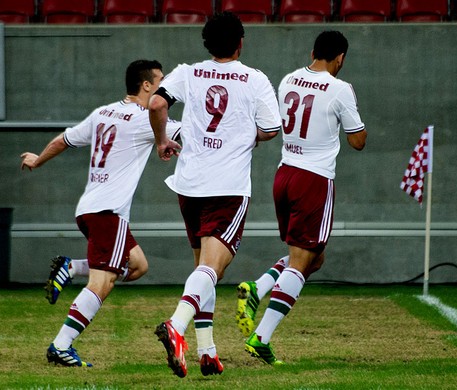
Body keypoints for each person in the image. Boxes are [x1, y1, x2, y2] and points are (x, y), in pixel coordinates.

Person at [20, 59, 181, 367]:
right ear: (147, 85)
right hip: (109, 212)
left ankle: (71, 267)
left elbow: (63, 140)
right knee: (102, 283)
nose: (165, 87)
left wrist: (38, 160)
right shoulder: (146, 118)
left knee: (137, 266)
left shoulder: (102, 113)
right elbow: (188, 132)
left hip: (88, 210)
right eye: (160, 80)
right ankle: (61, 345)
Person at [148, 11, 282, 378]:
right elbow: (271, 128)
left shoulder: (187, 72)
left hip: (189, 185)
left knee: (203, 270)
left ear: (207, 43)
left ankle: (207, 351)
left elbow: (157, 104)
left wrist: (162, 140)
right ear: (240, 43)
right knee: (211, 268)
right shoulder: (254, 79)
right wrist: (244, 135)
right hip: (228, 187)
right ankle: (176, 325)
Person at [236, 30, 368, 365]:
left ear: (313, 52)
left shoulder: (289, 79)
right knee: (301, 261)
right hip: (314, 179)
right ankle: (260, 337)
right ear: (340, 58)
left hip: (284, 175)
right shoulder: (341, 89)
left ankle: (259, 287)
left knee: (314, 258)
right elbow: (358, 141)